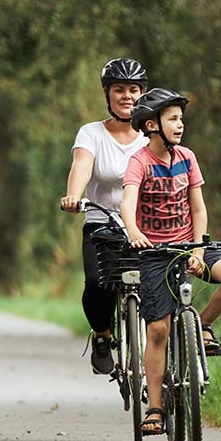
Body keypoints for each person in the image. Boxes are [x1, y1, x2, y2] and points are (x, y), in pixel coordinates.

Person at [120, 88, 221, 436]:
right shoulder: (140, 162)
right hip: (155, 253)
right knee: (158, 329)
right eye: (173, 118)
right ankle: (156, 407)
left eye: (181, 118)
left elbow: (198, 209)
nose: (180, 124)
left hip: (190, 245)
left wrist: (197, 251)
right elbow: (127, 204)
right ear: (152, 124)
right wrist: (134, 231)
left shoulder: (188, 158)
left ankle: (200, 325)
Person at [59, 58, 150, 375]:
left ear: (143, 94)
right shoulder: (92, 133)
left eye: (134, 90)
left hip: (145, 228)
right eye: (119, 89)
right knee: (98, 284)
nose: (127, 96)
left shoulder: (152, 137)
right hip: (103, 223)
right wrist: (74, 194)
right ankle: (102, 335)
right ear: (108, 95)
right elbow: (82, 167)